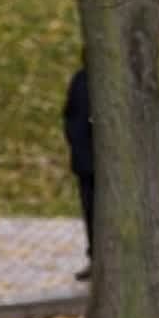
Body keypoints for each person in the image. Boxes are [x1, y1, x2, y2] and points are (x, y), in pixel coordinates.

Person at [62, 50, 94, 282]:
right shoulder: (81, 81)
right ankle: (95, 257)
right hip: (86, 160)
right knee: (90, 211)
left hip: (107, 164)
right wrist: (78, 140)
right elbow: (70, 116)